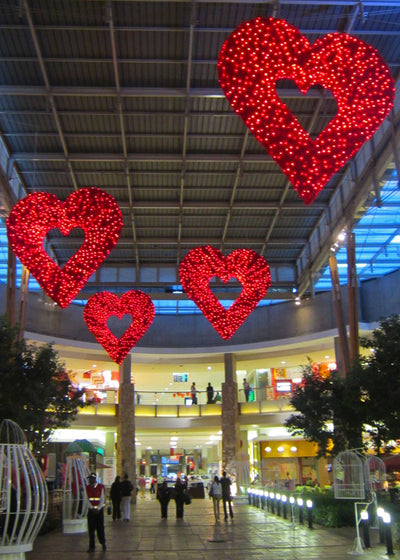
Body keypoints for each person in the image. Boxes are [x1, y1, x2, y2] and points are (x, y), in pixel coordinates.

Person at [85, 472, 106, 552]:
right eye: (89, 479)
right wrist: (92, 508)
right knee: (91, 529)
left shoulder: (100, 487)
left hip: (99, 511)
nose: (90, 480)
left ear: (94, 479)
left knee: (100, 528)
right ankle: (92, 546)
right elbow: (86, 500)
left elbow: (102, 499)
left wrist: (98, 509)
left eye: (91, 479)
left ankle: (103, 543)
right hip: (91, 511)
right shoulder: (87, 488)